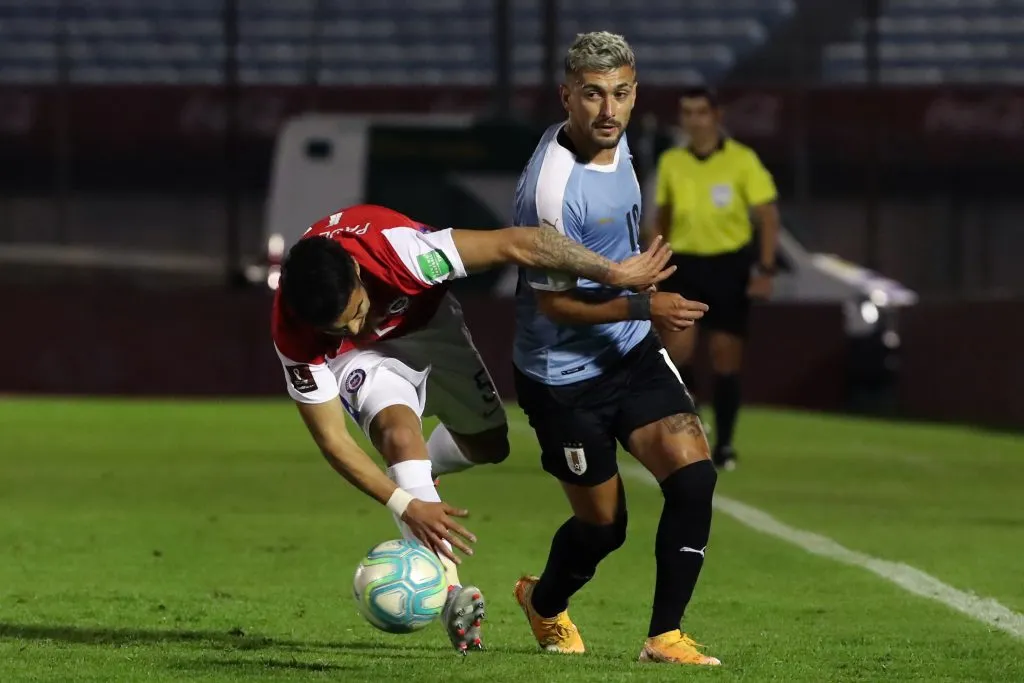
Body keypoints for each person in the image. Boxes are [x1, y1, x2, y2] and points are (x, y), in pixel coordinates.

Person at [271, 202, 674, 654]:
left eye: (359, 310)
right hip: (356, 363)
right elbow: (333, 441)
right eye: (339, 326)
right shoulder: (294, 331)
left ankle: (417, 469)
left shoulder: (403, 253)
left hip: (427, 322)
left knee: (488, 443)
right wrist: (404, 502)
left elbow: (521, 241)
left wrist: (614, 274)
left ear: (356, 271)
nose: (359, 327)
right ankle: (448, 595)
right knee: (399, 436)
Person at [510, 32, 721, 667]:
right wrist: (644, 302)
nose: (609, 110)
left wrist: (638, 308)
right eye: (594, 95)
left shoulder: (620, 140)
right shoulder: (549, 192)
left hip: (628, 351)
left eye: (621, 94)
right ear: (566, 96)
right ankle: (542, 602)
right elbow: (555, 306)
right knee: (605, 528)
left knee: (695, 477)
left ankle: (665, 637)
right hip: (562, 376)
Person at [647, 86, 781, 471]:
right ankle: (690, 424)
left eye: (700, 112)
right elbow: (664, 216)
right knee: (677, 354)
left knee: (726, 360)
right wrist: (655, 261)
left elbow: (767, 216)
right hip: (685, 265)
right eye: (687, 113)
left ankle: (724, 444)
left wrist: (765, 269)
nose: (693, 120)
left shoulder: (742, 161)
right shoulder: (673, 161)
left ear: (716, 116)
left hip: (729, 267)